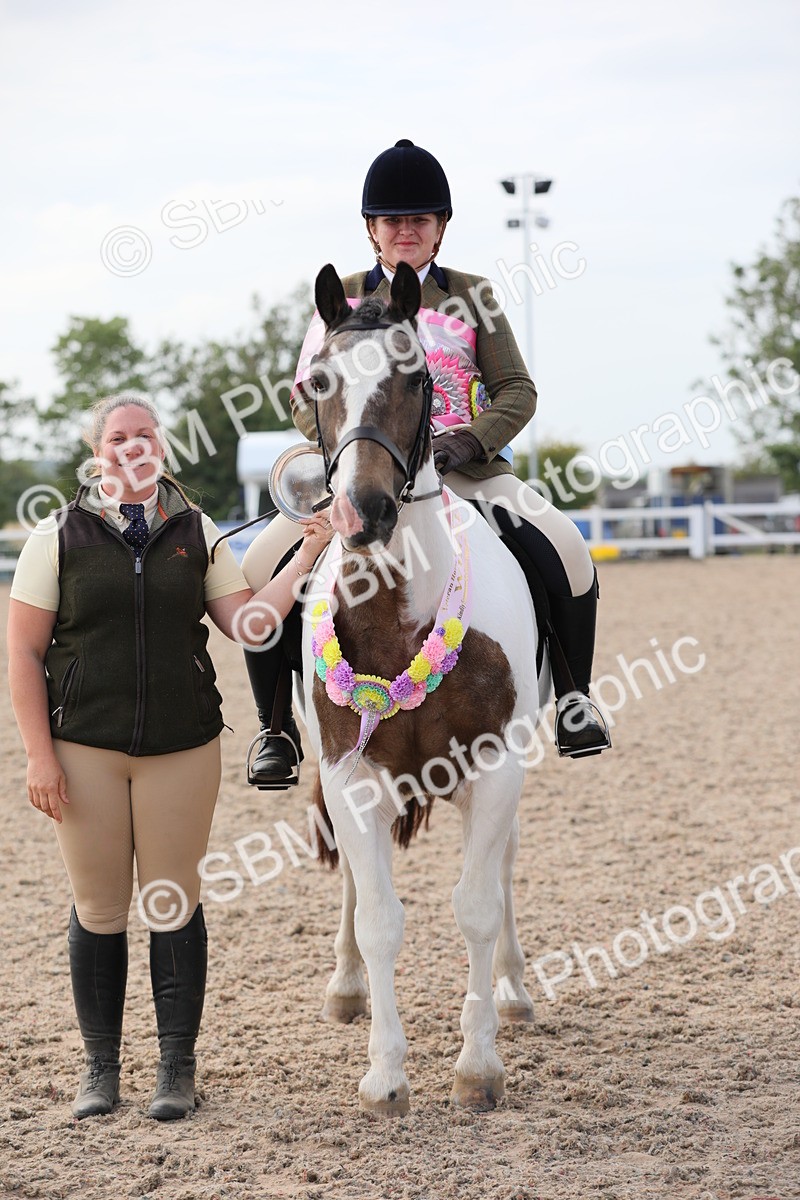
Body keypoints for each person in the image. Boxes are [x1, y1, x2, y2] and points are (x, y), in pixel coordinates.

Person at [242, 138, 611, 786]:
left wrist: (466, 442)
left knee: (567, 546)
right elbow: (306, 394)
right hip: (364, 470)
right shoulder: (342, 301)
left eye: (420, 219)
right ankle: (275, 729)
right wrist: (345, 451)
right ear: (372, 230)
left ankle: (575, 699)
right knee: (257, 562)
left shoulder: (474, 295)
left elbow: (517, 390)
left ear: (440, 229)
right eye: (393, 220)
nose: (406, 230)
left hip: (463, 466)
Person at [6, 393, 332, 1121]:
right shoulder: (55, 536)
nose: (132, 446)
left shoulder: (199, 531)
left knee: (172, 901)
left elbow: (247, 625)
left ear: (161, 446)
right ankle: (100, 1069)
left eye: (144, 434)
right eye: (118, 437)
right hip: (83, 747)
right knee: (99, 908)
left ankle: (175, 1069)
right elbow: (24, 655)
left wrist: (307, 554)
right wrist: (38, 756)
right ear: (99, 453)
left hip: (182, 747)